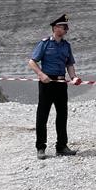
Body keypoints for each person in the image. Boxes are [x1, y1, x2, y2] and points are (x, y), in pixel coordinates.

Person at [27, 13, 80, 159]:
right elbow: (32, 62)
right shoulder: (44, 43)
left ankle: (61, 146)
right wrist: (41, 74)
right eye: (63, 27)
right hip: (47, 83)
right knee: (42, 115)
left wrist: (74, 77)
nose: (66, 30)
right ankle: (40, 147)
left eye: (66, 28)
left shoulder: (66, 46)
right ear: (55, 28)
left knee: (62, 115)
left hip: (61, 83)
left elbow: (69, 64)